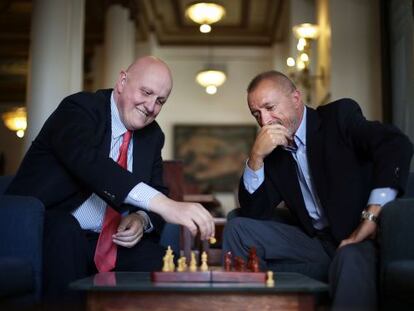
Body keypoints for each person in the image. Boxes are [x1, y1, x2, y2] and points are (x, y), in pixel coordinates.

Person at [5, 56, 215, 303]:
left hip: (110, 240)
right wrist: (165, 205)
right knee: (65, 234)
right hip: (49, 222)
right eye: (146, 92)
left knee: (164, 264)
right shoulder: (79, 108)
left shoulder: (152, 135)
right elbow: (89, 163)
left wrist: (141, 217)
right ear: (122, 81)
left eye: (160, 101)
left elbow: (157, 187)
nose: (150, 106)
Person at [223, 70, 413, 311]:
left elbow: (396, 145)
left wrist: (372, 216)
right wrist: (256, 158)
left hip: (362, 239)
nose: (265, 121)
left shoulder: (338, 117)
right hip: (316, 244)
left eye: (270, 107)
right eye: (256, 114)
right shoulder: (274, 152)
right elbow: (253, 211)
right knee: (238, 228)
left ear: (296, 98)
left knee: (350, 258)